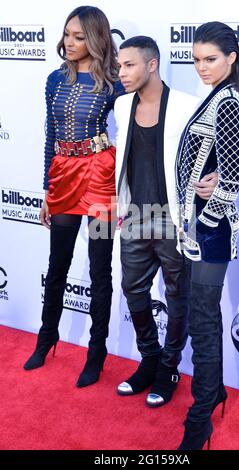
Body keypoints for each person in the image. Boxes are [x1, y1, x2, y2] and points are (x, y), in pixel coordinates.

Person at [23, 6, 124, 388]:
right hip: (64, 175)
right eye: (67, 34)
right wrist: (48, 189)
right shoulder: (54, 79)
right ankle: (47, 337)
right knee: (58, 262)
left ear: (96, 39)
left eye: (79, 36)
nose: (70, 42)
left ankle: (96, 351)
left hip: (100, 177)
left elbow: (135, 129)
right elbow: (50, 135)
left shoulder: (115, 83)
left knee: (100, 268)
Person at [114, 36, 218, 407]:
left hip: (175, 220)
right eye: (119, 65)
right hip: (137, 217)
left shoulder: (188, 106)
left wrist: (219, 175)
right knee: (133, 290)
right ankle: (150, 358)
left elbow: (215, 147)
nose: (121, 72)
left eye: (129, 65)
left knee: (177, 296)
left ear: (152, 64)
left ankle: (169, 368)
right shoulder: (122, 105)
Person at [176, 22, 239, 449]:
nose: (201, 67)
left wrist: (212, 204)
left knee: (201, 320)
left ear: (231, 58)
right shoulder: (216, 95)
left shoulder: (229, 101)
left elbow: (234, 177)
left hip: (211, 230)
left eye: (211, 59)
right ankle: (214, 390)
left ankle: (199, 417)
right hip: (199, 227)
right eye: (197, 59)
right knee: (202, 316)